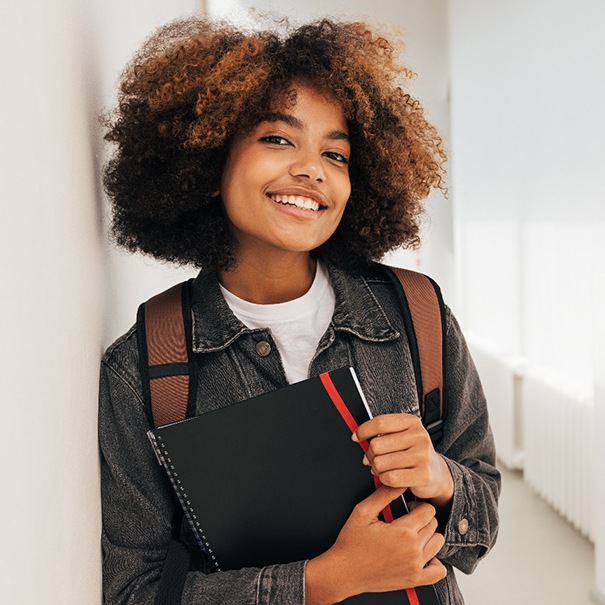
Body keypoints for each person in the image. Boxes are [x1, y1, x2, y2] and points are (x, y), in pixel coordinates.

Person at [99, 15, 500, 605]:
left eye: (335, 154)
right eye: (278, 139)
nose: (312, 169)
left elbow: (480, 523)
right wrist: (323, 583)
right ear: (211, 162)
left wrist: (440, 479)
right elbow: (134, 592)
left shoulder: (417, 314)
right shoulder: (143, 367)